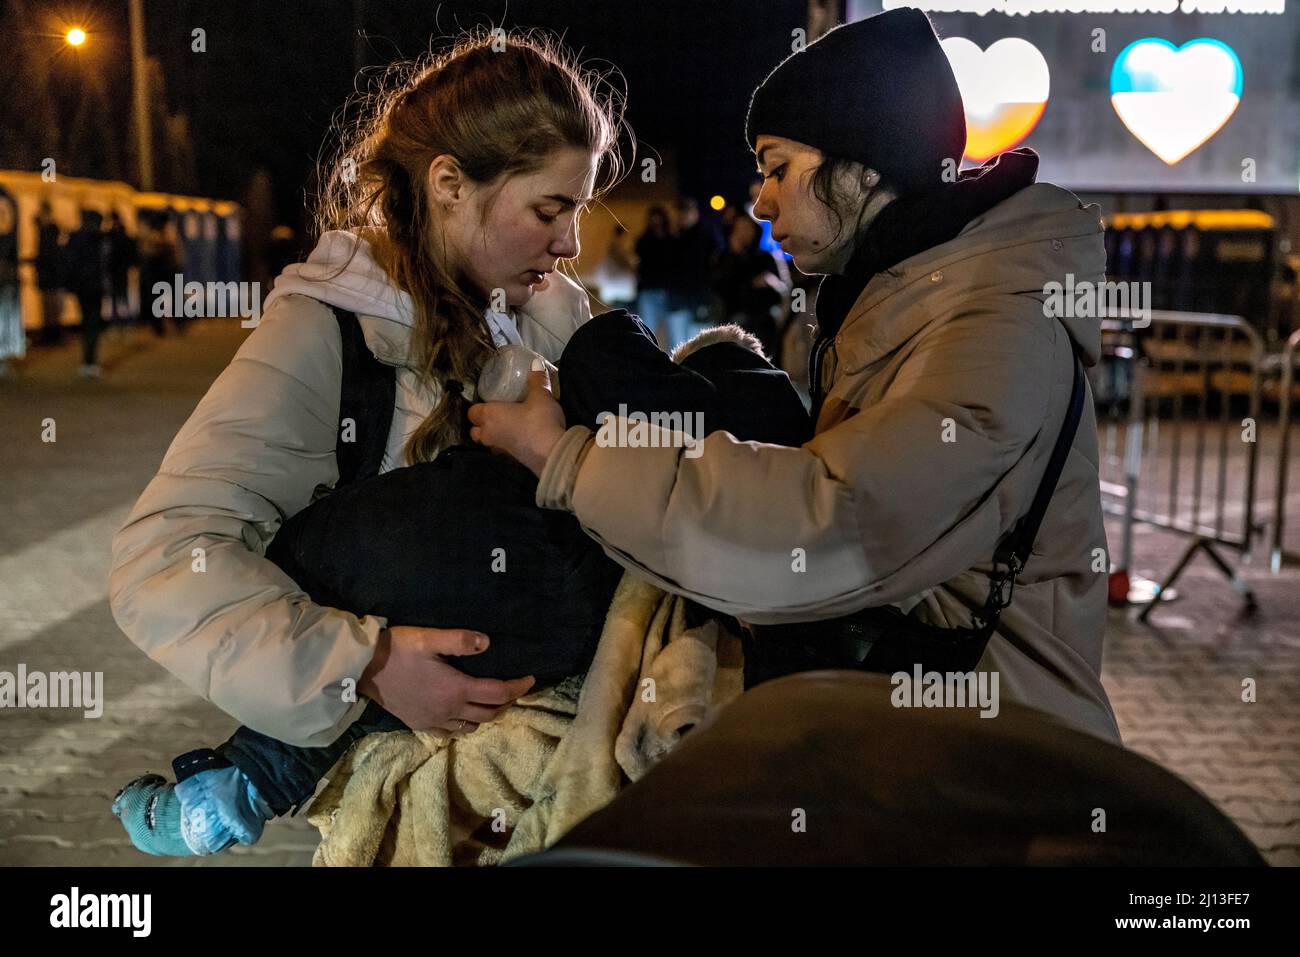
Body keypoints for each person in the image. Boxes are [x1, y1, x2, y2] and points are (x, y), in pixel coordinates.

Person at [469, 8, 1122, 745]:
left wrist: (567, 458)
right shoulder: (907, 293)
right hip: (930, 729)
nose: (761, 199)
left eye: (779, 168)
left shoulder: (995, 322)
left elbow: (834, 522)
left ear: (866, 164)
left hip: (997, 760)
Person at [107, 31, 628, 854]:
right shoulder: (328, 332)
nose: (569, 246)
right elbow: (163, 560)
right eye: (548, 211)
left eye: (578, 213)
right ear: (451, 184)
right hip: (406, 803)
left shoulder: (557, 323)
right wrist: (367, 665)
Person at [713, 214, 789, 360]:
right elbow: (719, 287)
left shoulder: (766, 257)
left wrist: (771, 282)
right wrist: (733, 253)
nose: (744, 233)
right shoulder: (724, 258)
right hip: (732, 322)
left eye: (748, 228)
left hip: (763, 322)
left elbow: (785, 289)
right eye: (740, 228)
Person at [63, 209, 108, 378]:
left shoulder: (75, 238)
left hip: (82, 287)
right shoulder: (100, 239)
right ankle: (92, 361)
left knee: (86, 322)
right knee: (93, 323)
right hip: (95, 287)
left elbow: (69, 262)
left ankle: (86, 361)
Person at [633, 205, 678, 347]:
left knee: (672, 333)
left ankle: (673, 363)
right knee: (647, 331)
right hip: (650, 289)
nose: (656, 222)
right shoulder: (644, 240)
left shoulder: (671, 240)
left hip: (666, 291)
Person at [31, 203, 65, 346]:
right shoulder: (49, 231)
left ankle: (52, 335)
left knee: (51, 307)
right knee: (49, 307)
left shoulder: (48, 232)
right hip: (50, 275)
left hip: (50, 275)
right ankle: (52, 334)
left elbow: (47, 255)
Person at [106, 211, 137, 326]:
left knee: (120, 295)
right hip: (119, 269)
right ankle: (124, 319)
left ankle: (122, 319)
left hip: (118, 269)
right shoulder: (123, 235)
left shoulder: (112, 236)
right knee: (121, 295)